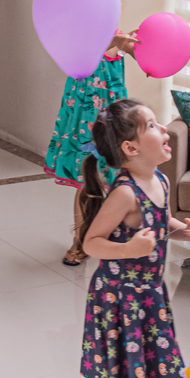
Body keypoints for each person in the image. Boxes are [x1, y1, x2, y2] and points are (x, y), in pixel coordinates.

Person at [78, 99, 190, 378]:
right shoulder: (124, 194)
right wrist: (129, 250)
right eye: (152, 126)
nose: (165, 131)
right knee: (141, 376)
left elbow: (157, 219)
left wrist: (182, 228)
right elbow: (91, 242)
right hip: (121, 299)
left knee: (129, 366)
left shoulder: (160, 181)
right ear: (131, 148)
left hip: (148, 294)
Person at [45, 31, 138, 266]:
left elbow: (142, 61)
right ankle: (80, 240)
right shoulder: (79, 38)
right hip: (86, 125)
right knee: (87, 184)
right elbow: (88, 50)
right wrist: (115, 43)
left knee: (120, 183)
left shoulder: (115, 38)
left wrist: (133, 48)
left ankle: (116, 238)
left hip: (115, 121)